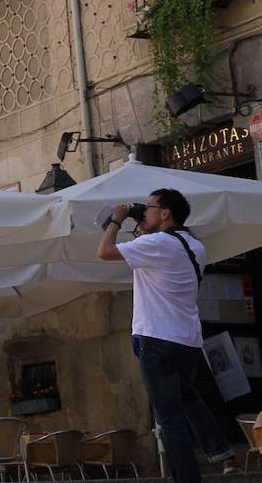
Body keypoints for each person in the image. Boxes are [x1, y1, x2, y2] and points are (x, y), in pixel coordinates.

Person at [98, 189, 237, 483]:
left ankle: (187, 478)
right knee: (187, 397)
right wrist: (140, 223)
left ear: (165, 213)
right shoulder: (195, 246)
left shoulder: (157, 243)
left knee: (168, 416)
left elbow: (105, 250)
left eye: (148, 207)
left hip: (157, 340)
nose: (142, 211)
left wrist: (116, 220)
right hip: (186, 341)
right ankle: (222, 451)